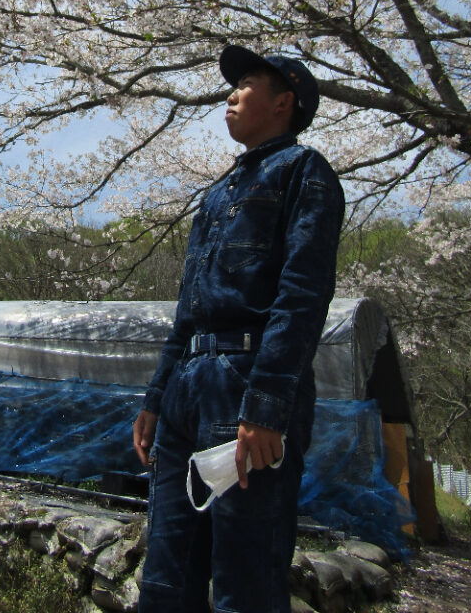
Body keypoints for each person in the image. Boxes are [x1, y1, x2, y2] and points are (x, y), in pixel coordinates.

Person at [133, 45, 345, 613]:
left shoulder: (304, 171)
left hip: (246, 382)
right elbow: (188, 309)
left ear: (284, 103)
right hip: (188, 387)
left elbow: (302, 294)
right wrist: (157, 397)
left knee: (243, 578)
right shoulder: (217, 193)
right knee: (166, 575)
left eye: (247, 82)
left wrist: (267, 404)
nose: (230, 93)